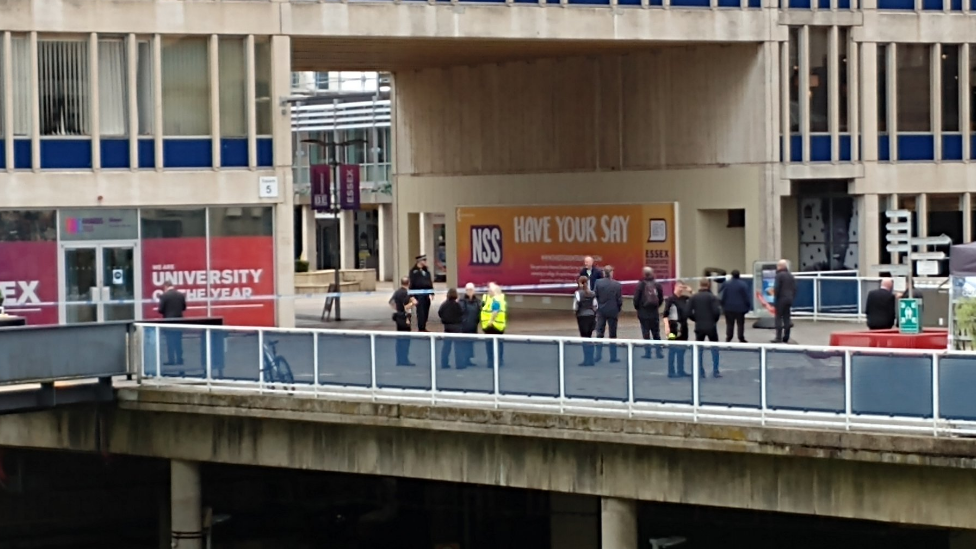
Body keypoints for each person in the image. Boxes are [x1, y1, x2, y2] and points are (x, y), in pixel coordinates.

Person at [687, 278, 722, 378]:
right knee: (714, 348)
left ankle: (700, 370)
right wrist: (713, 320)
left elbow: (688, 312)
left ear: (700, 285)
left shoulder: (694, 297)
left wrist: (696, 319)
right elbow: (716, 312)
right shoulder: (712, 297)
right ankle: (715, 370)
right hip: (711, 325)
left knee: (699, 349)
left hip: (699, 326)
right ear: (709, 285)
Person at [633, 267, 665, 359]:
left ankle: (648, 353)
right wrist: (656, 306)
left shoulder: (641, 285)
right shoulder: (657, 284)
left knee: (645, 332)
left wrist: (638, 308)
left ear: (644, 274)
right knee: (656, 332)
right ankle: (659, 352)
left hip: (643, 312)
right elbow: (661, 298)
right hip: (654, 312)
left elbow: (636, 299)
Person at [593, 265, 623, 363]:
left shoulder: (598, 283)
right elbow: (619, 300)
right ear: (611, 273)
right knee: (613, 334)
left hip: (601, 311)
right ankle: (613, 357)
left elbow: (595, 295)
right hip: (613, 311)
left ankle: (598, 355)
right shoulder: (617, 285)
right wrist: (618, 309)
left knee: (599, 333)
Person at [662, 282, 691, 378]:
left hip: (683, 327)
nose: (681, 289)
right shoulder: (670, 300)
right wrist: (666, 327)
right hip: (673, 328)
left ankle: (681, 370)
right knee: (672, 349)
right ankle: (671, 371)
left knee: (682, 349)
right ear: (675, 287)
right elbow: (665, 315)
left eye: (683, 287)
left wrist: (691, 291)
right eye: (680, 286)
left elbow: (696, 299)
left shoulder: (685, 299)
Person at [389, 277, 417, 366]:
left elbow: (391, 302)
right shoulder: (407, 293)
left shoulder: (397, 292)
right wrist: (412, 304)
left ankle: (399, 359)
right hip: (405, 317)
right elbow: (411, 304)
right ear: (408, 283)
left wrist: (397, 309)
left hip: (398, 317)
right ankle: (404, 359)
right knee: (406, 340)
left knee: (400, 339)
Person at [158, 283, 187, 366]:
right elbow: (184, 308)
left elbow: (160, 310)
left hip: (169, 321)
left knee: (170, 341)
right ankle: (179, 359)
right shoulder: (180, 295)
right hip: (179, 321)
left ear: (166, 286)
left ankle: (171, 360)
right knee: (178, 341)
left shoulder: (164, 296)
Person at [720, 270, 751, 343]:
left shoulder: (726, 283)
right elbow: (746, 296)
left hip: (728, 307)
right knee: (740, 324)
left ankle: (729, 337)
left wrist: (722, 305)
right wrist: (748, 305)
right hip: (740, 307)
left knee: (729, 323)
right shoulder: (743, 284)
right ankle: (741, 337)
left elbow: (721, 294)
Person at [481, 282, 507, 368]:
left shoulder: (496, 299)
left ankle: (493, 361)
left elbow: (495, 311)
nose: (488, 291)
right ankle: (496, 361)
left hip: (493, 326)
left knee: (492, 345)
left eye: (490, 290)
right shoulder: (495, 298)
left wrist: (490, 321)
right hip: (495, 326)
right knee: (496, 345)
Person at [573, 275, 598, 366]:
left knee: (584, 339)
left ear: (579, 283)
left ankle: (586, 360)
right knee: (589, 337)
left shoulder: (578, 293)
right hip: (591, 316)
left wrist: (576, 313)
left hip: (582, 317)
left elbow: (575, 306)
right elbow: (595, 306)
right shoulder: (592, 293)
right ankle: (591, 359)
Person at [438, 288, 465, 369]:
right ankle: (459, 364)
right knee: (458, 347)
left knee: (446, 346)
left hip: (447, 327)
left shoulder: (444, 304)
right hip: (457, 326)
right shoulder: (457, 305)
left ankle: (444, 363)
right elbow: (462, 312)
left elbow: (440, 313)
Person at [773, 259, 796, 343]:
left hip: (781, 299)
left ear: (780, 266)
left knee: (778, 318)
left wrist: (775, 299)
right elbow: (794, 288)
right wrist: (792, 297)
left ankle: (778, 337)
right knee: (787, 318)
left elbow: (777, 288)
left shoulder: (779, 276)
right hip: (789, 298)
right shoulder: (790, 275)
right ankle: (786, 336)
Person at [409, 254, 434, 332]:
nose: (425, 262)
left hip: (426, 294)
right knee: (421, 312)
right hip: (418, 295)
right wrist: (412, 296)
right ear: (419, 261)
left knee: (426, 311)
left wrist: (432, 292)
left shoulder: (426, 271)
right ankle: (421, 328)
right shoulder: (413, 272)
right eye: (424, 260)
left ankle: (424, 325)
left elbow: (430, 282)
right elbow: (412, 284)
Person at [458, 283, 481, 367]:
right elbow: (460, 312)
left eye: (471, 290)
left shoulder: (477, 301)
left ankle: (468, 359)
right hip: (464, 326)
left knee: (471, 343)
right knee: (464, 344)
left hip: (473, 325)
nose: (470, 291)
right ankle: (463, 359)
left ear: (474, 291)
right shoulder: (462, 301)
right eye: (468, 290)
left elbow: (480, 311)